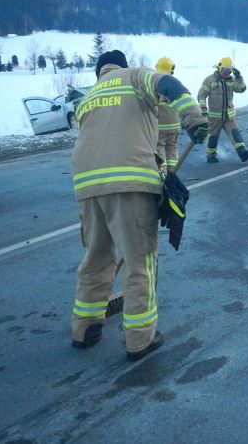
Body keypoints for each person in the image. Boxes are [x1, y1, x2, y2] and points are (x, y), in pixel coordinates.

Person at [70, 50, 209, 361]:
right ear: (122, 66)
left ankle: (84, 329)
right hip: (129, 184)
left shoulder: (88, 97)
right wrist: (194, 119)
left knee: (95, 259)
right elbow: (169, 84)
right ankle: (139, 339)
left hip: (87, 188)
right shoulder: (135, 76)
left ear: (98, 72)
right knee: (139, 262)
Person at [197, 57, 248, 163]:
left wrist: (239, 77)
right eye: (225, 71)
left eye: (229, 71)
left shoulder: (232, 80)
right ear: (220, 68)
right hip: (215, 117)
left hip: (229, 116)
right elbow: (201, 95)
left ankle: (243, 152)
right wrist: (203, 108)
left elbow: (241, 89)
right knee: (213, 137)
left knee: (235, 133)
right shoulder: (209, 80)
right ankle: (211, 155)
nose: (227, 73)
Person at [155, 56, 180, 172]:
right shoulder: (176, 84)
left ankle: (163, 173)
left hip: (160, 126)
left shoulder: (156, 85)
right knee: (172, 148)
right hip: (175, 125)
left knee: (159, 148)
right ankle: (172, 173)